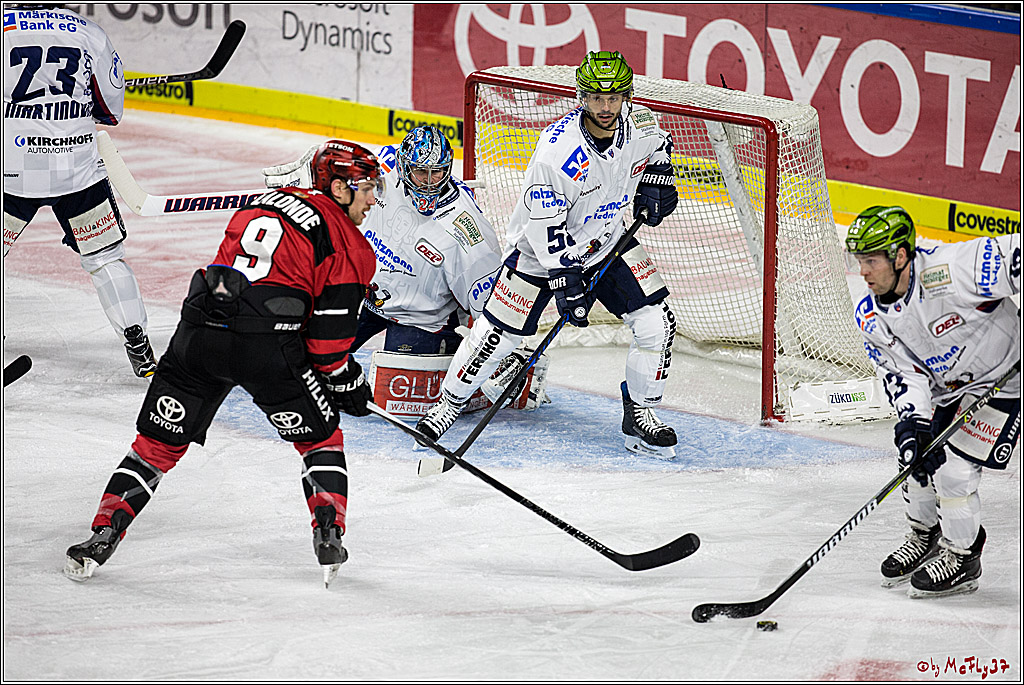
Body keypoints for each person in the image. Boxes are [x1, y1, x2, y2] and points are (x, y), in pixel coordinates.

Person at [63, 140, 382, 587]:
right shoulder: (351, 246)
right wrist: (350, 386)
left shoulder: (262, 204)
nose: (373, 199)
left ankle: (101, 534)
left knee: (155, 447)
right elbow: (327, 353)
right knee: (321, 440)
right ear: (338, 187)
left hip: (199, 332)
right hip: (265, 347)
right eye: (367, 188)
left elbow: (238, 270)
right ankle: (328, 535)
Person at [416, 50, 681, 458]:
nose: (605, 108)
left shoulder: (644, 124)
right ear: (582, 97)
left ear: (626, 96)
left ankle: (641, 412)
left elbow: (660, 149)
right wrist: (566, 280)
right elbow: (544, 225)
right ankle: (448, 405)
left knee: (656, 322)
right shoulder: (558, 153)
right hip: (542, 255)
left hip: (608, 240)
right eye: (596, 98)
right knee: (497, 336)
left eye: (613, 98)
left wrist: (658, 179)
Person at [262, 126, 547, 412]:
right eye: (420, 172)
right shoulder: (381, 171)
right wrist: (307, 175)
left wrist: (500, 355)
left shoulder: (467, 230)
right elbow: (336, 165)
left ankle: (449, 355)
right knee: (304, 365)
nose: (428, 183)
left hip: (422, 320)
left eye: (437, 172)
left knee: (392, 398)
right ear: (402, 166)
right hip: (364, 297)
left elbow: (489, 306)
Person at [846, 206, 1020, 598]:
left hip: (1008, 379)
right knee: (918, 460)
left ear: (900, 255)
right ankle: (926, 535)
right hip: (951, 388)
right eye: (860, 261)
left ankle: (963, 556)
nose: (864, 271)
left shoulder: (954, 268)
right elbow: (904, 374)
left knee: (955, 472)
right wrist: (913, 424)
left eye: (871, 260)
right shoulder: (871, 315)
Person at [3, 4, 156, 377]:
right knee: (104, 258)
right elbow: (111, 112)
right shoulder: (88, 33)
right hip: (75, 171)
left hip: (11, 171)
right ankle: (137, 342)